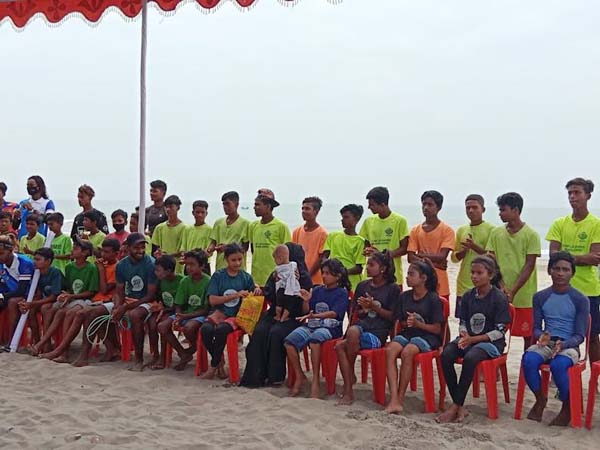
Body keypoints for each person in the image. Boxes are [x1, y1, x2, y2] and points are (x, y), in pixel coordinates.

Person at [437, 255, 511, 423]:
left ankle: (455, 406)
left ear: (490, 275)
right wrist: (464, 335)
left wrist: (474, 339)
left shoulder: (499, 298)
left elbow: (500, 331)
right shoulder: (468, 296)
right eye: (472, 273)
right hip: (469, 339)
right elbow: (463, 322)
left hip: (491, 343)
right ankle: (459, 405)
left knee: (471, 358)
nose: (474, 276)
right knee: (446, 354)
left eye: (479, 273)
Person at [521, 251, 589, 426]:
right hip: (547, 343)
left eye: (565, 270)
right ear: (549, 270)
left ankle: (567, 407)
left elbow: (580, 335)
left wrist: (564, 344)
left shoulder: (580, 299)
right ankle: (540, 399)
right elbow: (536, 328)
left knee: (558, 365)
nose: (560, 273)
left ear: (572, 273)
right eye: (556, 269)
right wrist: (541, 336)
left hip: (569, 345)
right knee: (528, 360)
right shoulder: (540, 297)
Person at [240, 243, 312, 388]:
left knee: (276, 332)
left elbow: (305, 309)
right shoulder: (277, 272)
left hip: (295, 317)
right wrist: (275, 281)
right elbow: (270, 296)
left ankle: (275, 377)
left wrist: (296, 284)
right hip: (275, 312)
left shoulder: (304, 277)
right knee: (260, 331)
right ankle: (255, 376)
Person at [546, 178, 600, 364]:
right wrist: (579, 258)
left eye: (577, 192)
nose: (572, 197)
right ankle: (564, 374)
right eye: (570, 193)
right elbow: (553, 255)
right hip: (562, 290)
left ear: (588, 196)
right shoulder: (560, 223)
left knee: (592, 336)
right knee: (561, 334)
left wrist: (565, 258)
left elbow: (595, 258)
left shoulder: (596, 224)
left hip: (589, 290)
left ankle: (596, 377)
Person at [336, 251, 400, 405]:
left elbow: (393, 317)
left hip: (378, 332)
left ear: (382, 268)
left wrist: (374, 307)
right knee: (351, 333)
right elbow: (355, 313)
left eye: (371, 265)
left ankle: (348, 386)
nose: (367, 268)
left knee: (341, 346)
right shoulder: (363, 285)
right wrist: (364, 310)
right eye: (367, 264)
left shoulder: (392, 289)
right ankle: (349, 383)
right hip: (362, 326)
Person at [284, 258, 350, 398]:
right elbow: (307, 311)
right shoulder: (317, 289)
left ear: (338, 276)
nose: (324, 276)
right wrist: (306, 301)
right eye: (323, 272)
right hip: (312, 324)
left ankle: (315, 380)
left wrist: (315, 316)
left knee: (315, 340)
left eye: (328, 273)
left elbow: (334, 314)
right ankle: (300, 375)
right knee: (289, 342)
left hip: (330, 328)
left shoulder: (342, 292)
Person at [384, 260, 444, 414]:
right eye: (407, 274)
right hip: (409, 333)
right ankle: (394, 397)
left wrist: (418, 324)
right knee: (390, 350)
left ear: (423, 278)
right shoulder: (404, 296)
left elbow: (437, 329)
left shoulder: (433, 299)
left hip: (428, 336)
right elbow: (399, 321)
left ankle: (400, 398)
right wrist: (408, 323)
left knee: (408, 351)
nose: (407, 277)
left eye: (411, 274)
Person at [486, 192, 540, 349]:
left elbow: (529, 265)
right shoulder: (496, 233)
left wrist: (513, 290)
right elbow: (491, 260)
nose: (500, 214)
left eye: (503, 210)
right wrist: (501, 285)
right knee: (495, 331)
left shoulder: (531, 235)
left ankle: (527, 363)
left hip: (524, 294)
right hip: (498, 291)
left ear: (515, 210)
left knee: (528, 335)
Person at [30, 238, 99, 360]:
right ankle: (45, 344)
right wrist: (66, 295)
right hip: (71, 298)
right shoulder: (69, 267)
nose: (72, 250)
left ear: (85, 253)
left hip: (85, 300)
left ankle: (63, 352)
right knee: (51, 310)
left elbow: (91, 292)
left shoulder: (91, 268)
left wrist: (71, 296)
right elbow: (68, 287)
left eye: (76, 249)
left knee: (67, 314)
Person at [202, 243, 256, 379]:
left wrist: (257, 290)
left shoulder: (246, 277)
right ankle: (219, 362)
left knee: (221, 330)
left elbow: (253, 297)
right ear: (226, 259)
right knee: (205, 330)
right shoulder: (218, 276)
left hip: (237, 316)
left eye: (240, 259)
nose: (237, 263)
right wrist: (235, 295)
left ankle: (214, 365)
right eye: (233, 260)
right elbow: (213, 300)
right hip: (219, 313)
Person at [110, 233, 159, 370]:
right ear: (128, 248)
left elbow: (150, 296)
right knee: (97, 312)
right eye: (136, 248)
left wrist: (125, 308)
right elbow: (119, 291)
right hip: (130, 299)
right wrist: (118, 306)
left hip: (149, 301)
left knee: (134, 315)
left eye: (143, 247)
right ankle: (113, 349)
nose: (141, 251)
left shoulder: (151, 264)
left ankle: (139, 358)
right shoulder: (121, 265)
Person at [71, 239, 121, 367]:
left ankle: (84, 354)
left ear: (116, 253)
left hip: (109, 300)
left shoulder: (117, 267)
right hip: (97, 300)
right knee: (81, 314)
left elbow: (104, 290)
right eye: (102, 251)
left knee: (88, 314)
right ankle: (110, 348)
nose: (103, 255)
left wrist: (101, 270)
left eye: (107, 252)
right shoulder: (102, 264)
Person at [158, 250, 210, 371]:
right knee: (162, 326)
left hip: (200, 314)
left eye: (192, 264)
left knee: (189, 328)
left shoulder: (208, 281)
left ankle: (193, 348)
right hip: (186, 313)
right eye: (187, 264)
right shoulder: (185, 281)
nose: (188, 267)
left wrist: (184, 317)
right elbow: (179, 303)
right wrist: (178, 315)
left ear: (202, 266)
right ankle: (183, 353)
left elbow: (206, 309)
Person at [451, 195, 495, 318]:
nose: (471, 211)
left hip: (484, 283)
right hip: (463, 283)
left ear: (483, 209)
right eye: (468, 208)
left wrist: (474, 246)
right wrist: (463, 251)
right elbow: (454, 258)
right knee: (463, 320)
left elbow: (492, 257)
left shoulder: (491, 230)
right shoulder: (462, 230)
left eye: (475, 207)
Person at [407, 190, 455, 301]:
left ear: (439, 207)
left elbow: (442, 256)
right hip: (419, 284)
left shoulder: (447, 231)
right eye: (424, 204)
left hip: (440, 283)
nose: (426, 208)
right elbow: (410, 257)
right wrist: (435, 264)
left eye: (430, 204)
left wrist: (420, 255)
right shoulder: (415, 230)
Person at [359, 187, 409, 287]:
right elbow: (366, 245)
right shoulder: (368, 221)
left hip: (393, 274)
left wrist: (382, 255)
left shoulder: (400, 221)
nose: (369, 207)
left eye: (372, 204)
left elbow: (404, 248)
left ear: (383, 204)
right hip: (371, 275)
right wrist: (367, 251)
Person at [16, 248, 63, 346]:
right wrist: (27, 302)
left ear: (48, 261)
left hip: (59, 299)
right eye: (34, 259)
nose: (34, 262)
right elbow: (37, 292)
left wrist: (32, 303)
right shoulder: (36, 273)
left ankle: (46, 344)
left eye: (38, 259)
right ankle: (37, 341)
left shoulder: (55, 272)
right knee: (30, 311)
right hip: (45, 299)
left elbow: (54, 296)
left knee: (45, 309)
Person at [247, 189, 291, 287]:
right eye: (254, 204)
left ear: (268, 206)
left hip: (275, 277)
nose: (254, 207)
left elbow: (287, 253)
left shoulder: (281, 226)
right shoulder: (253, 226)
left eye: (258, 205)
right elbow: (253, 249)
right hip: (256, 277)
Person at [0, 235, 34, 348]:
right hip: (9, 294)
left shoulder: (24, 263)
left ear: (11, 251)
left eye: (1, 253)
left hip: (28, 295)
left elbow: (21, 290)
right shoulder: (1, 263)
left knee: (12, 302)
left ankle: (12, 341)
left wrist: (3, 296)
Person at [322, 204, 366, 292]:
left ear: (356, 219)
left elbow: (359, 268)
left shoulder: (360, 241)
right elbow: (324, 256)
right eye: (342, 217)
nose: (342, 220)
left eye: (346, 217)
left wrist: (342, 272)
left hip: (352, 284)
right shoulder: (333, 236)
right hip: (333, 283)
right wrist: (329, 270)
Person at [151, 255, 184, 370]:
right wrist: (159, 306)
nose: (156, 273)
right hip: (166, 310)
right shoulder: (161, 281)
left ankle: (164, 358)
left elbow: (180, 303)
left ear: (169, 270)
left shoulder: (181, 281)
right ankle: (155, 354)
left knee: (162, 324)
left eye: (158, 270)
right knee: (152, 322)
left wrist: (164, 310)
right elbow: (159, 298)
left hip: (179, 311)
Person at [208, 191, 250, 271]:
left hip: (237, 268)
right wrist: (210, 249)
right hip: (220, 267)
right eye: (223, 204)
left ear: (236, 204)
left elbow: (245, 248)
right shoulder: (218, 222)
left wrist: (227, 248)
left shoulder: (245, 224)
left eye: (227, 204)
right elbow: (213, 242)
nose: (225, 207)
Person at [292, 196, 328, 285]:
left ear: (316, 211)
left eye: (307, 209)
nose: (304, 211)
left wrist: (308, 275)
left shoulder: (323, 234)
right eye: (303, 208)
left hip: (316, 281)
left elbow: (321, 258)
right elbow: (293, 254)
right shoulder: (297, 231)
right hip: (298, 278)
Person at [152, 195, 186, 273]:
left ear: (178, 208)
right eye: (166, 207)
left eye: (171, 207)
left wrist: (167, 256)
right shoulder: (159, 227)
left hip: (177, 268)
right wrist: (158, 253)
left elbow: (183, 251)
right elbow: (156, 247)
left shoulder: (184, 228)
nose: (168, 209)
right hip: (162, 268)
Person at [273, 244, 301, 323]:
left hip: (281, 289)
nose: (274, 261)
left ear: (280, 258)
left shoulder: (278, 268)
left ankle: (278, 316)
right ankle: (284, 318)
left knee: (279, 304)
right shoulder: (294, 265)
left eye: (275, 259)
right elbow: (297, 276)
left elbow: (276, 276)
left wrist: (275, 276)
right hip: (291, 290)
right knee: (289, 306)